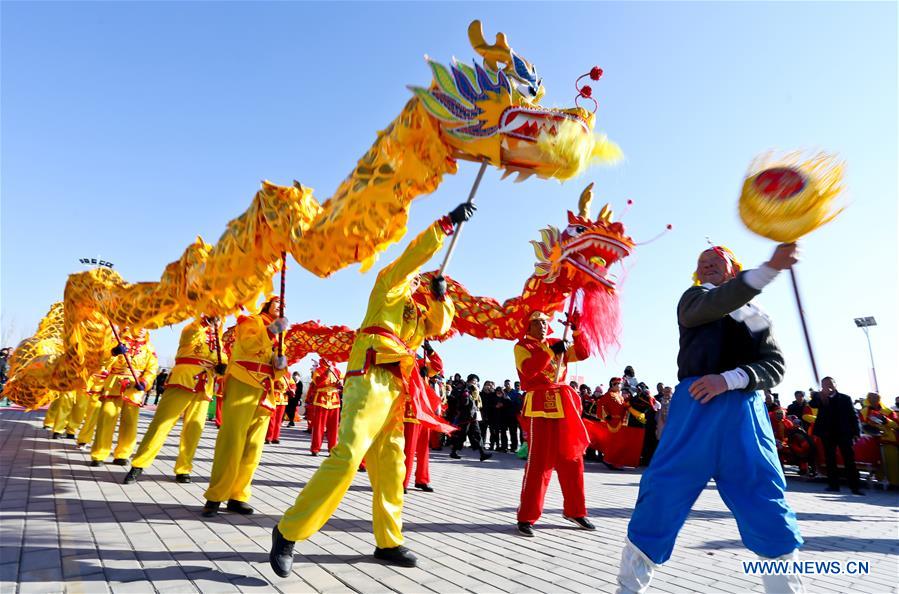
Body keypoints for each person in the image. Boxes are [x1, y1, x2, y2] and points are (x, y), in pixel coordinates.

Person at [269, 202, 473, 576]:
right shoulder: (387, 286)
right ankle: (288, 531)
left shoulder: (414, 313)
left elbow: (439, 327)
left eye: (420, 280)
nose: (416, 280)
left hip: (397, 388)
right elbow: (410, 258)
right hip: (370, 376)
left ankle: (388, 540)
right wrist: (444, 226)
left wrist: (442, 296)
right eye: (415, 276)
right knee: (347, 456)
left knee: (393, 466)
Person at [616, 243, 804, 594]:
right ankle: (628, 589)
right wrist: (769, 270)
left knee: (765, 499)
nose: (708, 265)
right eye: (702, 262)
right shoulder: (695, 298)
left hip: (744, 414)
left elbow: (774, 366)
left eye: (717, 261)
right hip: (695, 413)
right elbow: (713, 305)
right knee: (661, 494)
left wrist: (730, 379)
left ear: (733, 268)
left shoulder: (757, 315)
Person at [201, 297, 289, 517]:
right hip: (244, 379)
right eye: (276, 302)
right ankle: (215, 495)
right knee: (232, 439)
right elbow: (249, 345)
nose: (281, 306)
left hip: (265, 390)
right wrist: (271, 332)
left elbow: (276, 364)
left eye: (283, 304)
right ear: (266, 305)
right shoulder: (251, 320)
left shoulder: (280, 332)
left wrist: (281, 365)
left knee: (253, 446)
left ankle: (238, 495)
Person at [514, 310, 594, 537]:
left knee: (573, 459)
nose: (541, 325)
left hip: (563, 406)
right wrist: (550, 352)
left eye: (544, 321)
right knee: (539, 463)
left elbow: (583, 353)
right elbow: (529, 371)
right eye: (536, 322)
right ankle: (527, 516)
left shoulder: (556, 343)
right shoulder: (522, 347)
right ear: (527, 327)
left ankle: (575, 510)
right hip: (539, 406)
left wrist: (577, 329)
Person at [125, 317, 227, 484]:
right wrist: (206, 322)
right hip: (182, 379)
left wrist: (222, 368)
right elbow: (190, 336)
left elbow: (222, 360)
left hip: (204, 386)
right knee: (162, 424)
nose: (218, 319)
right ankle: (139, 465)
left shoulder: (219, 341)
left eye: (221, 317)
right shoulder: (192, 327)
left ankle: (184, 468)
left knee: (193, 430)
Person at [90, 328, 159, 466]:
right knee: (106, 418)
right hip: (114, 384)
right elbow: (102, 361)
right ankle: (99, 454)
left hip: (134, 387)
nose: (141, 329)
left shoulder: (149, 348)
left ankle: (123, 454)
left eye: (145, 326)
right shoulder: (117, 341)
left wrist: (144, 382)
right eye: (139, 324)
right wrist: (113, 352)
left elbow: (152, 369)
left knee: (130, 422)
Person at [403, 341, 443, 492]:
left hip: (424, 411)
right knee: (408, 449)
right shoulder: (401, 358)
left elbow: (438, 367)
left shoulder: (422, 361)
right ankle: (402, 481)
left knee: (423, 449)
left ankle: (422, 479)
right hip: (409, 410)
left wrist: (430, 351)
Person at [816, 376, 863, 495]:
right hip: (828, 434)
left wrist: (857, 432)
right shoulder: (820, 397)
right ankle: (833, 485)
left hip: (844, 434)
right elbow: (812, 404)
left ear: (835, 384)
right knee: (830, 460)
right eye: (825, 384)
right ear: (822, 386)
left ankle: (855, 487)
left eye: (830, 383)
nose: (828, 386)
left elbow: (854, 416)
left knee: (849, 460)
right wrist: (822, 396)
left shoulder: (845, 398)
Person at [307, 358, 343, 455]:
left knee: (334, 427)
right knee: (319, 426)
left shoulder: (337, 371)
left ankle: (332, 449)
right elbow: (318, 383)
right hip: (321, 400)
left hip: (334, 401)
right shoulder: (318, 370)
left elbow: (342, 384)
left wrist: (341, 384)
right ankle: (315, 448)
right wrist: (327, 372)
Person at [266, 375, 293, 445]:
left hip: (283, 399)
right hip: (273, 397)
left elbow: (292, 384)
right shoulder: (274, 371)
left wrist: (292, 389)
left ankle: (275, 437)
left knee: (279, 419)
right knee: (272, 418)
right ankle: (269, 437)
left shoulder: (288, 373)